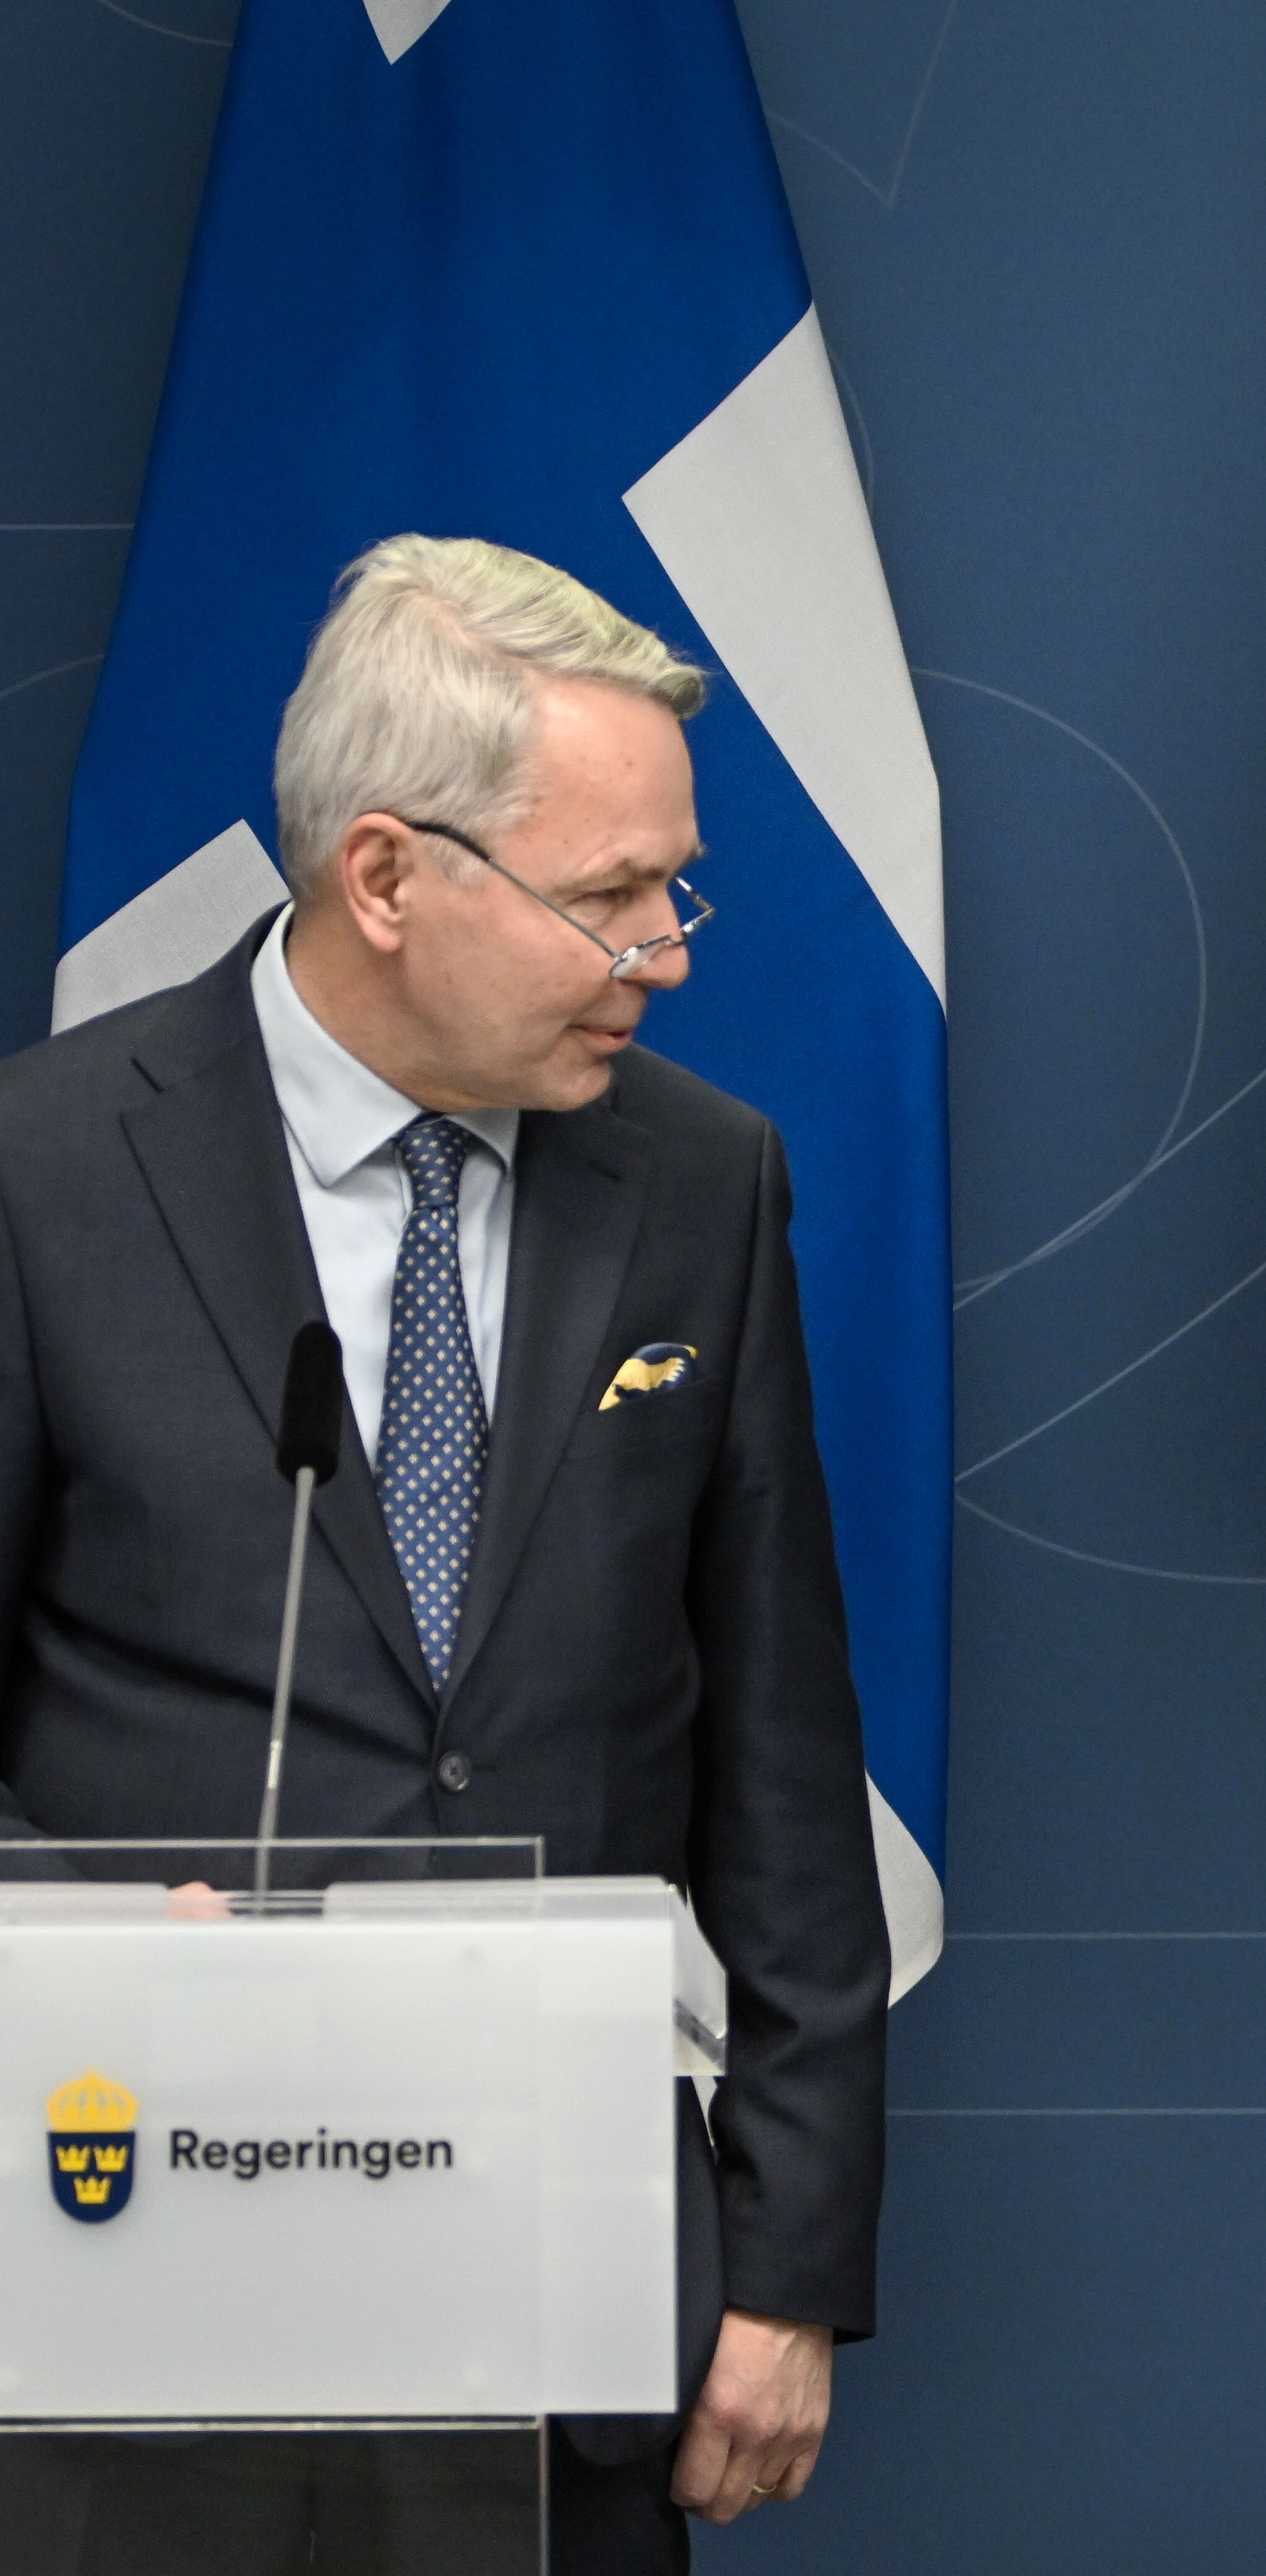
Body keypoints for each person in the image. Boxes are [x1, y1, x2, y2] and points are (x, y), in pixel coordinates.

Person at [0, 537, 887, 2572]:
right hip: (129, 2264)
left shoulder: (699, 1178)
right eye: (604, 897)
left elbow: (778, 1746)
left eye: (672, 884)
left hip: (561, 2307)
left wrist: (785, 2265)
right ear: (386, 880)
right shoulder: (42, 1175)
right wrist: (104, 1954)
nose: (663, 948)